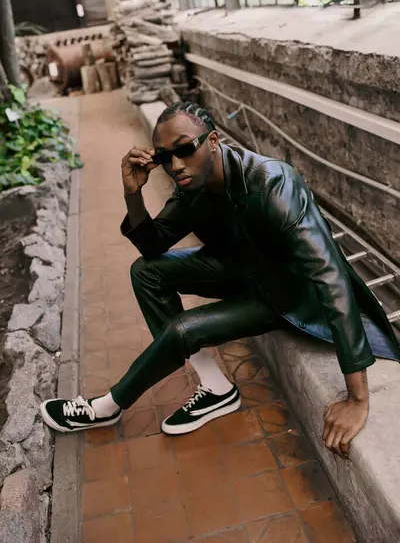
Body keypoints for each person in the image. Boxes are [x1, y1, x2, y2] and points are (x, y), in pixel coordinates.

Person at [40, 102, 400, 458]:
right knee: (145, 272)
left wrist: (357, 398)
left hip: (287, 295)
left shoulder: (273, 184)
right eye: (165, 157)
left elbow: (329, 278)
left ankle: (108, 406)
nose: (176, 164)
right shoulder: (191, 184)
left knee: (183, 329)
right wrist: (132, 193)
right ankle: (214, 387)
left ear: (212, 140)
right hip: (242, 270)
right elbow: (152, 246)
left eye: (185, 149)